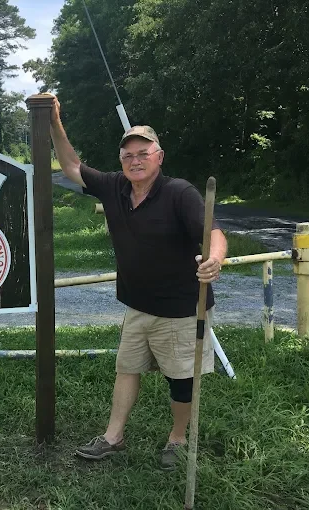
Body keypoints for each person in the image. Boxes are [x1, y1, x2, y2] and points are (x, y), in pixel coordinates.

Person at [47, 93, 228, 471]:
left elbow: (213, 231)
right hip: (138, 304)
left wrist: (215, 258)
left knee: (181, 379)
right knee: (126, 368)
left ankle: (177, 440)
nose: (135, 160)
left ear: (158, 157)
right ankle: (113, 437)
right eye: (128, 154)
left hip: (181, 307)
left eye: (143, 153)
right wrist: (53, 122)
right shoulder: (114, 186)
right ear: (121, 160)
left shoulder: (180, 193)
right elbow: (71, 166)